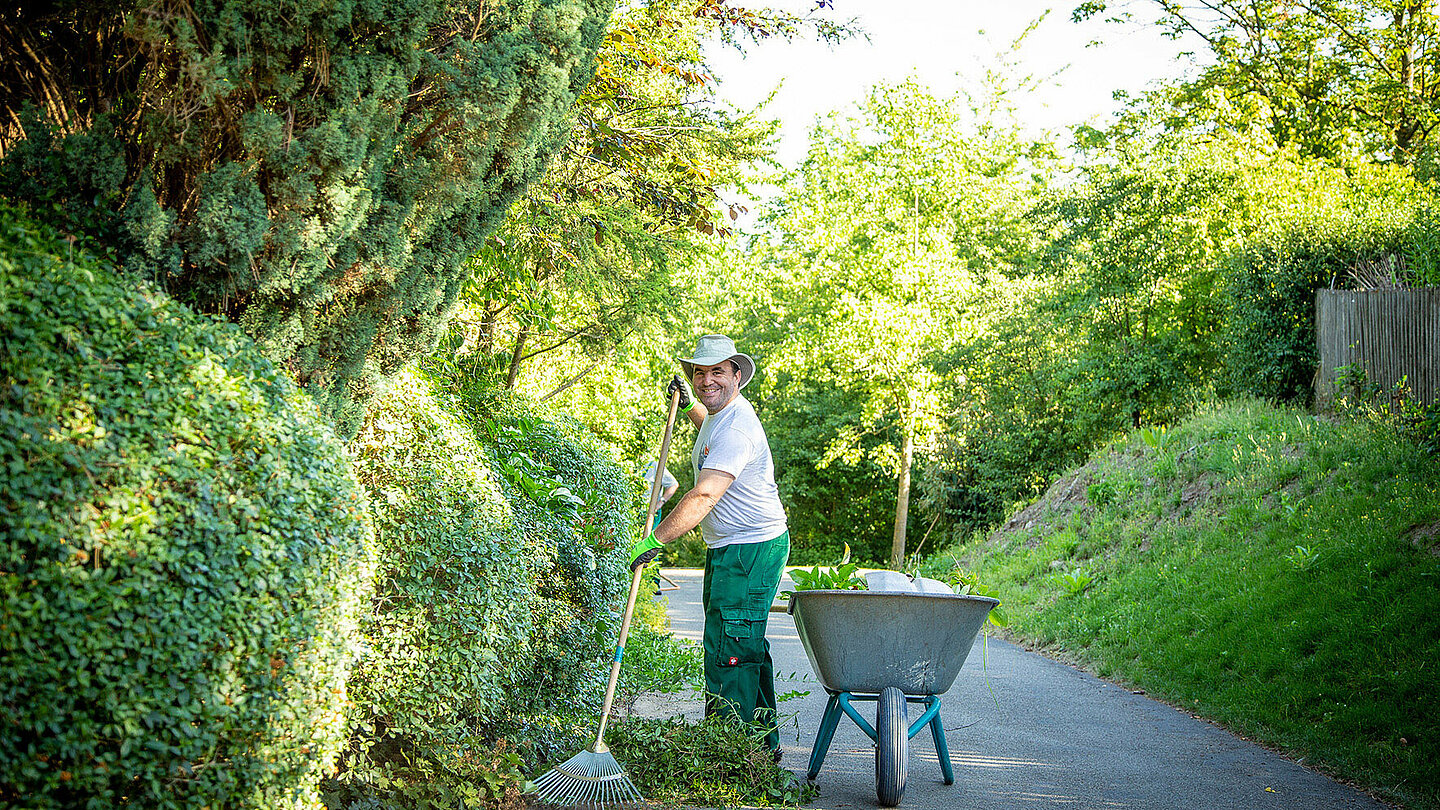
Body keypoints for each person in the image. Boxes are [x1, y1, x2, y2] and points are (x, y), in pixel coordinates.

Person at [629, 334, 790, 756]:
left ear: (737, 374)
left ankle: (730, 753)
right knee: (741, 638)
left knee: (730, 644)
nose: (707, 380)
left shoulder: (737, 427)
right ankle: (762, 745)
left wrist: (654, 539)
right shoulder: (721, 416)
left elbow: (703, 496)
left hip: (750, 549)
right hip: (730, 547)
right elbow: (709, 425)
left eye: (718, 371)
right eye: (699, 372)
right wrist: (689, 406)